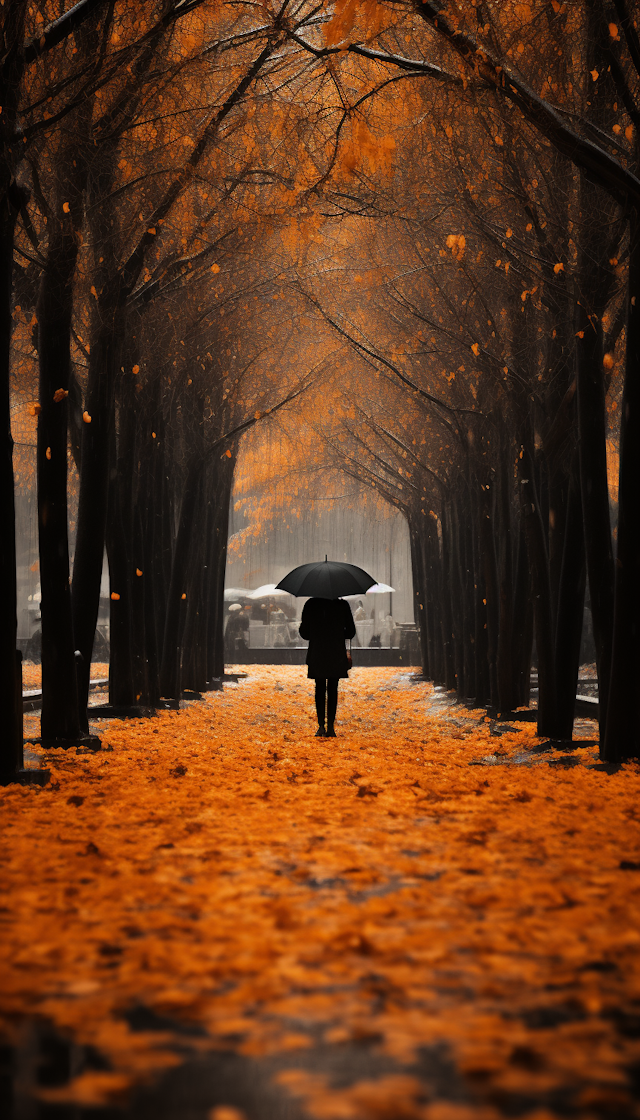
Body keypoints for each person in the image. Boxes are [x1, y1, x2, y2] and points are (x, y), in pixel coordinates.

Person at [298, 597, 355, 737]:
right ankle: (331, 726)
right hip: (336, 652)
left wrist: (317, 630)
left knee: (320, 688)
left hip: (318, 652)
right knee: (333, 689)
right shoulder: (342, 605)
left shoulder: (311, 604)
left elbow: (304, 633)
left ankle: (321, 726)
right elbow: (351, 632)